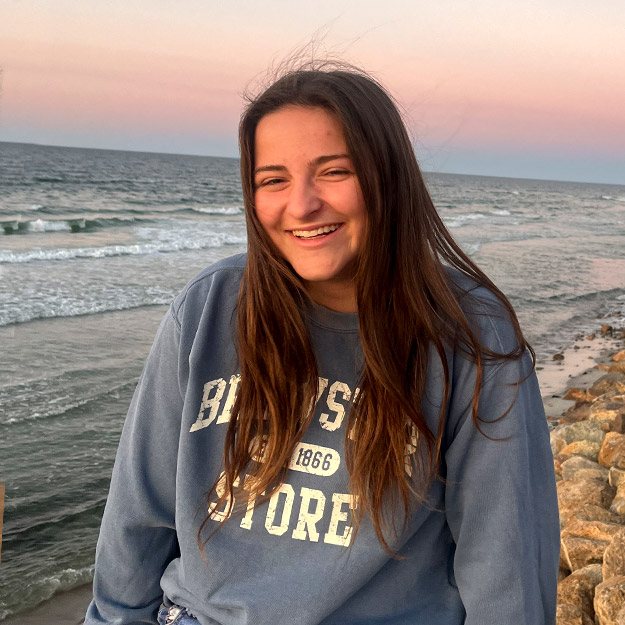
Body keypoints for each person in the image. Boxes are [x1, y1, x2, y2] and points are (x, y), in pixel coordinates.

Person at [85, 62, 560, 625]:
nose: (302, 205)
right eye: (273, 179)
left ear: (386, 176)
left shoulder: (469, 333)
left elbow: (504, 559)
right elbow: (138, 516)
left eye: (333, 171)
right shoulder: (210, 309)